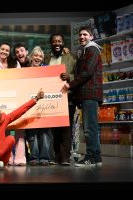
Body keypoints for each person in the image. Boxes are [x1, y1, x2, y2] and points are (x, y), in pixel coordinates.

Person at [61, 26, 103, 167]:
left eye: (85, 34)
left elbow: (87, 72)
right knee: (91, 127)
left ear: (91, 36)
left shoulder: (92, 49)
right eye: (80, 35)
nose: (82, 37)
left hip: (90, 94)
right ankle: (96, 158)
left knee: (89, 128)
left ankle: (91, 157)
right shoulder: (86, 51)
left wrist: (70, 84)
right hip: (87, 95)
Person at [0, 42, 26, 166]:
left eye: (7, 50)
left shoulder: (15, 63)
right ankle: (8, 158)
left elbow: (20, 80)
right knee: (3, 131)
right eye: (2, 49)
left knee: (19, 129)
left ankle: (20, 158)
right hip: (1, 100)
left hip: (16, 98)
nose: (4, 52)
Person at [44, 33, 77, 166]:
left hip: (67, 97)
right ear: (51, 43)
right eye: (54, 41)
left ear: (63, 43)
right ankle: (56, 156)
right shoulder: (46, 58)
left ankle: (65, 157)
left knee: (66, 129)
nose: (57, 43)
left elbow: (79, 74)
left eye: (59, 41)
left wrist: (69, 76)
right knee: (54, 128)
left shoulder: (71, 56)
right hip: (51, 98)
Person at [25, 46, 53, 166]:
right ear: (31, 57)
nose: (38, 58)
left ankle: (45, 157)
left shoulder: (47, 69)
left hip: (45, 106)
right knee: (31, 133)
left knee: (44, 133)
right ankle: (34, 157)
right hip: (30, 106)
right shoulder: (25, 71)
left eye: (40, 56)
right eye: (35, 55)